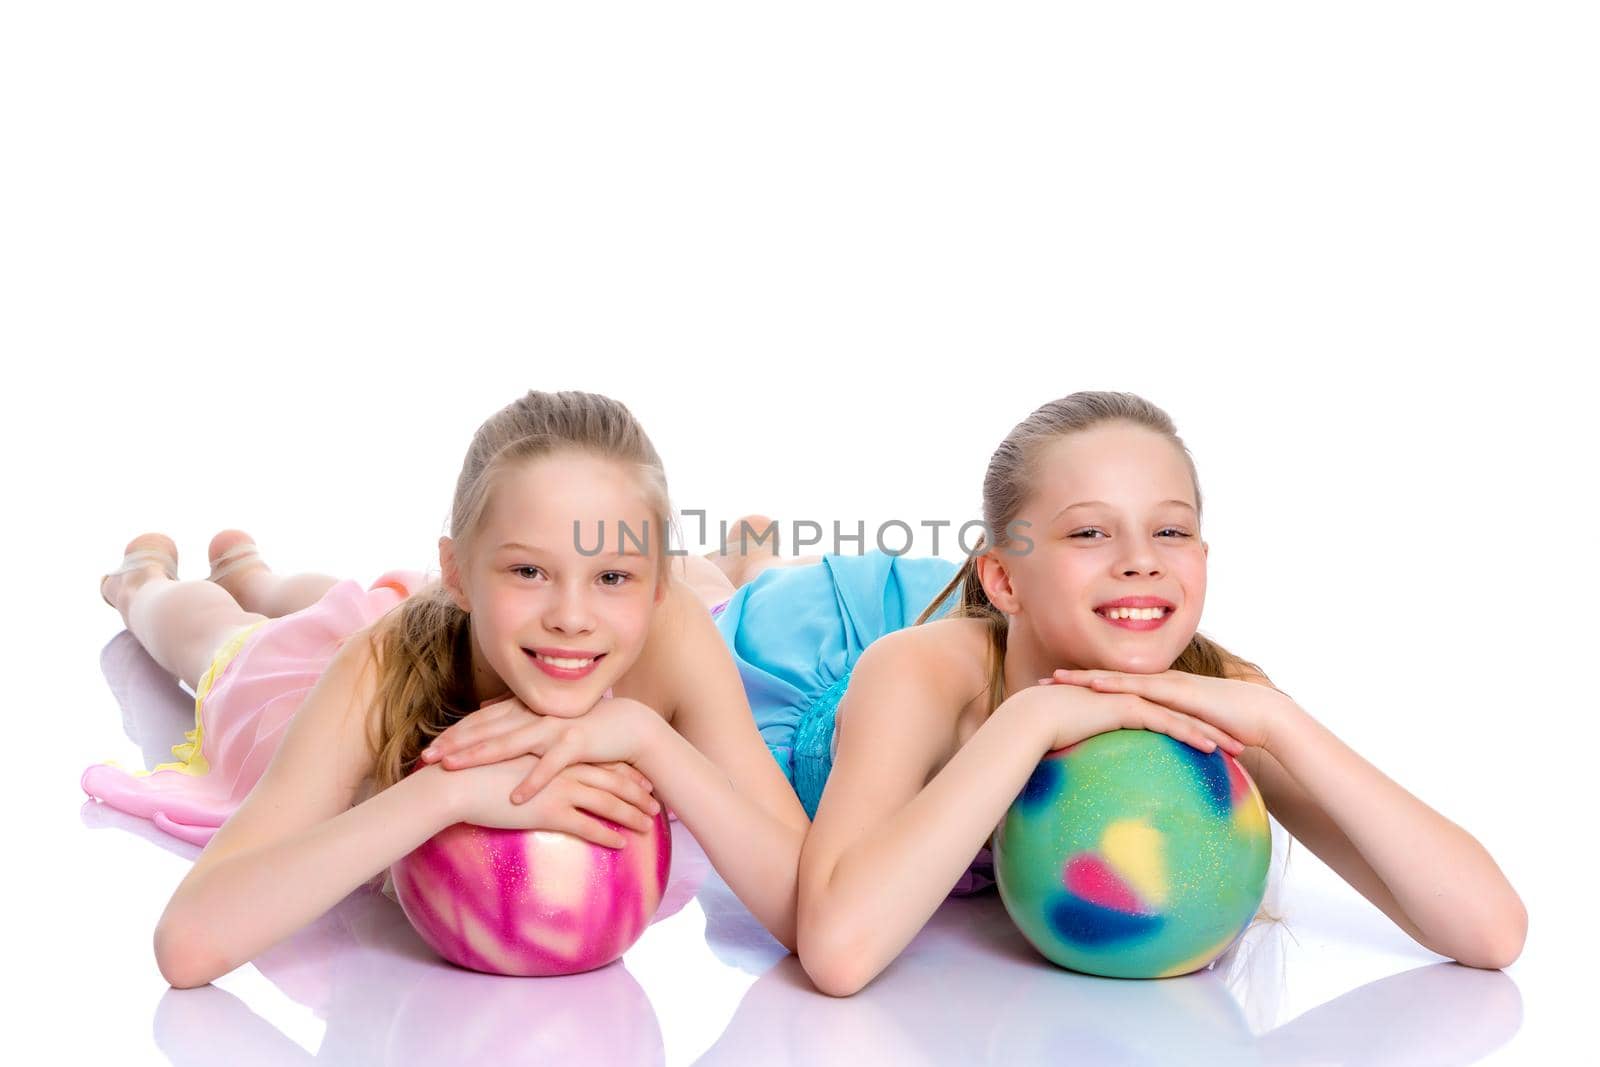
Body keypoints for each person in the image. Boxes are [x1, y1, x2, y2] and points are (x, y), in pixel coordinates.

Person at [712, 390, 1528, 996]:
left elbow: (1492, 931)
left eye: (1169, 530)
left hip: (1019, 615)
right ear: (1003, 575)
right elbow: (839, 951)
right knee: (736, 593)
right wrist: (1029, 719)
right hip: (817, 650)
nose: (1141, 560)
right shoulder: (918, 675)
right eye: (1090, 531)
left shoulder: (1216, 691)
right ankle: (747, 561)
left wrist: (1285, 722)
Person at [85, 389, 809, 988]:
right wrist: (447, 794)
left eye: (614, 576)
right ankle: (150, 581)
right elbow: (186, 945)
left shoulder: (674, 632)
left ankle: (249, 569)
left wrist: (651, 738)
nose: (570, 616)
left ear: (656, 585)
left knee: (337, 594)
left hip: (483, 623)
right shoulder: (377, 668)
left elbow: (809, 907)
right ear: (458, 572)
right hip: (351, 664)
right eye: (528, 571)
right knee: (228, 643)